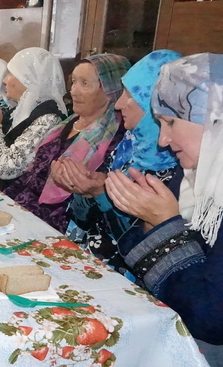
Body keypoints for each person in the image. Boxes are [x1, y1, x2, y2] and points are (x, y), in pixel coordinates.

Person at [106, 53, 223, 365]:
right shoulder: (197, 172)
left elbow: (215, 318)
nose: (163, 139)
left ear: (218, 117)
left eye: (170, 122)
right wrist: (151, 216)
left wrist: (162, 223)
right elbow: (137, 246)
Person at [63, 50, 181, 278]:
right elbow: (83, 220)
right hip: (86, 258)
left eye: (130, 94)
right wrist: (83, 189)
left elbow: (136, 248)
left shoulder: (174, 166)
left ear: (154, 101)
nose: (118, 104)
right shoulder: (128, 146)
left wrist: (101, 194)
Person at [2, 53, 129, 232]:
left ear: (111, 90)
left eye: (85, 83)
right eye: (74, 82)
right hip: (21, 209)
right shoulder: (65, 124)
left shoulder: (116, 139)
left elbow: (94, 211)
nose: (74, 91)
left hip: (56, 226)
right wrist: (4, 202)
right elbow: (30, 176)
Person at [0, 48, 68, 190]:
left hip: (12, 194)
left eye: (11, 74)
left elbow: (7, 170)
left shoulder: (49, 119)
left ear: (28, 79)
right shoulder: (18, 110)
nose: (5, 80)